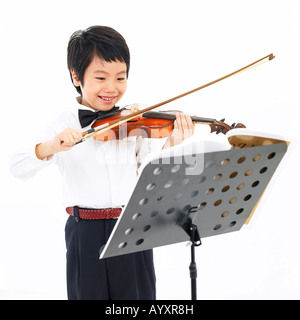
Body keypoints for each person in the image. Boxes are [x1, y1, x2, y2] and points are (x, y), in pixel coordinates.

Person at [9, 25, 195, 300]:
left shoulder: (132, 121)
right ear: (76, 76)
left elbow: (148, 176)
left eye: (120, 78)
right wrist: (51, 146)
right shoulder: (62, 124)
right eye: (100, 77)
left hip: (131, 226)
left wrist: (171, 145)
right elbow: (17, 166)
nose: (112, 88)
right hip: (85, 232)